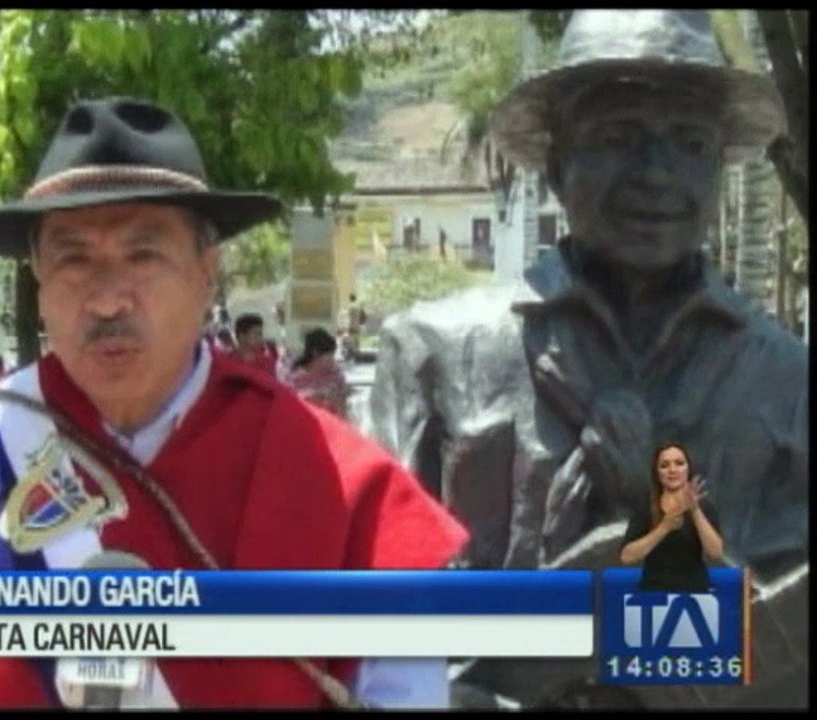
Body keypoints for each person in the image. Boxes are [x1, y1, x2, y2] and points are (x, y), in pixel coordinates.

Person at [0, 96, 468, 710]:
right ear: (39, 279)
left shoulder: (343, 488)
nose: (105, 300)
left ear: (208, 271)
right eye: (73, 258)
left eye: (143, 254)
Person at [368, 10, 806, 709]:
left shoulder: (787, 382)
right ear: (556, 162)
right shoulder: (433, 353)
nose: (657, 173)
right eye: (619, 137)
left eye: (690, 143)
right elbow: (366, 625)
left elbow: (791, 653)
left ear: (720, 166)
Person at [619, 443, 724, 591]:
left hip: (695, 593)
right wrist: (664, 528)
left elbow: (715, 552)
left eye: (679, 463)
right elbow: (627, 556)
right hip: (654, 593)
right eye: (664, 465)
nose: (672, 470)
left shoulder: (704, 506)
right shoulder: (646, 507)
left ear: (688, 469)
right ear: (657, 473)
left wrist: (695, 511)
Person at [285, 328, 351, 418]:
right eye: (329, 354)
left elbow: (344, 410)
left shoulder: (336, 375)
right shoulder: (294, 378)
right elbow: (289, 409)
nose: (333, 359)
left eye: (333, 354)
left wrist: (337, 401)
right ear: (315, 353)